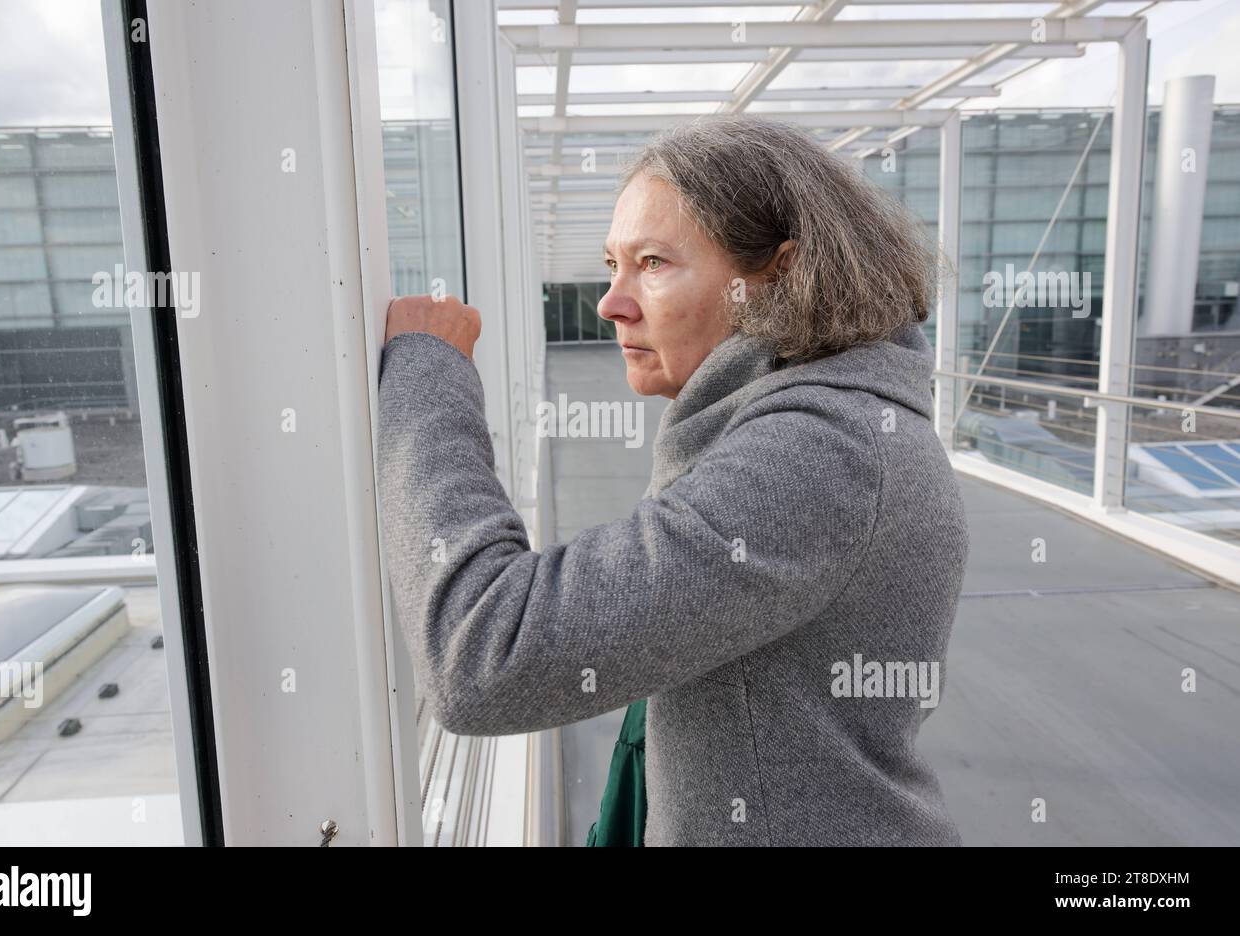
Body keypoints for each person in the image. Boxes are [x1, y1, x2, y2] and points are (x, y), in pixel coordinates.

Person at [377, 115, 968, 846]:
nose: (610, 302)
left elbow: (483, 654)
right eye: (611, 265)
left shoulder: (820, 452)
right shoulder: (839, 421)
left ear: (778, 277)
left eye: (652, 263)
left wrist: (427, 375)